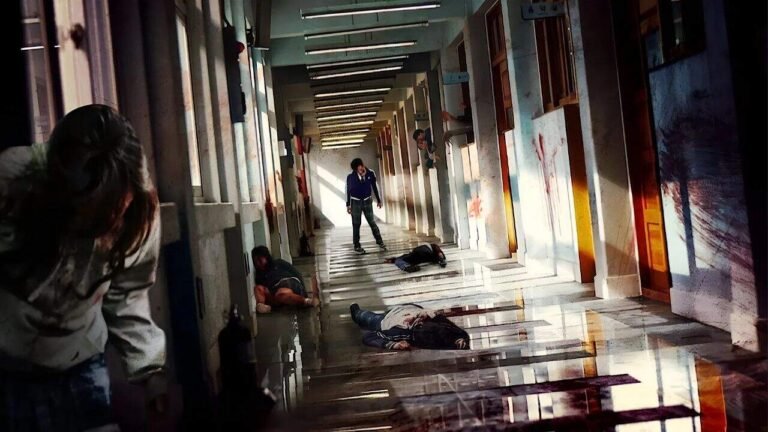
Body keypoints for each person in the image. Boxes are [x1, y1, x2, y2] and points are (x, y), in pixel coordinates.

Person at [0, 105, 167, 430]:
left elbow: (128, 293)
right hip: (8, 371)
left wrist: (149, 369)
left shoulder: (139, 213)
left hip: (81, 364)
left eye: (116, 210)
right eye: (92, 213)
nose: (108, 225)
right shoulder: (11, 181)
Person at [350, 303, 470, 351]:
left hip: (390, 319)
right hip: (400, 311)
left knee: (368, 317)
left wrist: (393, 345)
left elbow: (369, 337)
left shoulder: (401, 332)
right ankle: (358, 313)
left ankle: (358, 313)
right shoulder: (437, 322)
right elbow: (458, 331)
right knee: (368, 317)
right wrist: (460, 338)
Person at [252, 245, 319, 313]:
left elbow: (296, 273)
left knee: (281, 293)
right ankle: (262, 306)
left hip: (289, 283)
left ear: (266, 257)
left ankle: (306, 301)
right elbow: (264, 290)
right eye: (255, 261)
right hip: (275, 291)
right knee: (258, 288)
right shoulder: (259, 275)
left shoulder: (279, 263)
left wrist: (304, 292)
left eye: (259, 260)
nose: (258, 263)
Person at [345, 158, 386, 254]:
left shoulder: (370, 173)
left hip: (367, 200)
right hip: (355, 202)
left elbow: (375, 186)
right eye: (358, 168)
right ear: (355, 169)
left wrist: (379, 200)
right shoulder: (350, 177)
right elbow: (347, 190)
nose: (361, 169)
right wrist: (348, 204)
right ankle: (357, 246)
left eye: (361, 166)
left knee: (372, 222)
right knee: (356, 224)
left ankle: (380, 242)